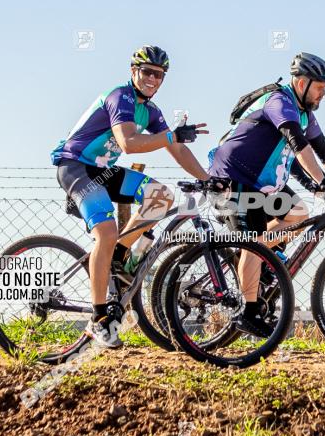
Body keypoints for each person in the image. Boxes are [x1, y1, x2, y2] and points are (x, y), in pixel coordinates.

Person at [51, 45, 210, 347]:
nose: (153, 79)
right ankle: (99, 319)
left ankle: (119, 256)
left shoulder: (150, 111)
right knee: (106, 233)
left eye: (159, 75)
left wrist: (208, 179)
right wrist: (172, 135)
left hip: (101, 171)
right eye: (147, 72)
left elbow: (175, 148)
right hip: (75, 167)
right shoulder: (120, 96)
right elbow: (128, 144)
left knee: (160, 196)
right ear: (134, 72)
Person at [207, 52, 325, 337]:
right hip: (235, 179)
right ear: (301, 83)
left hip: (263, 184)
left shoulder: (306, 114)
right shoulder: (280, 101)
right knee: (254, 244)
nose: (324, 93)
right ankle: (248, 312)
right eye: (320, 87)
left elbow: (324, 150)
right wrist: (323, 184)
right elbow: (298, 144)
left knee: (298, 214)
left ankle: (264, 258)